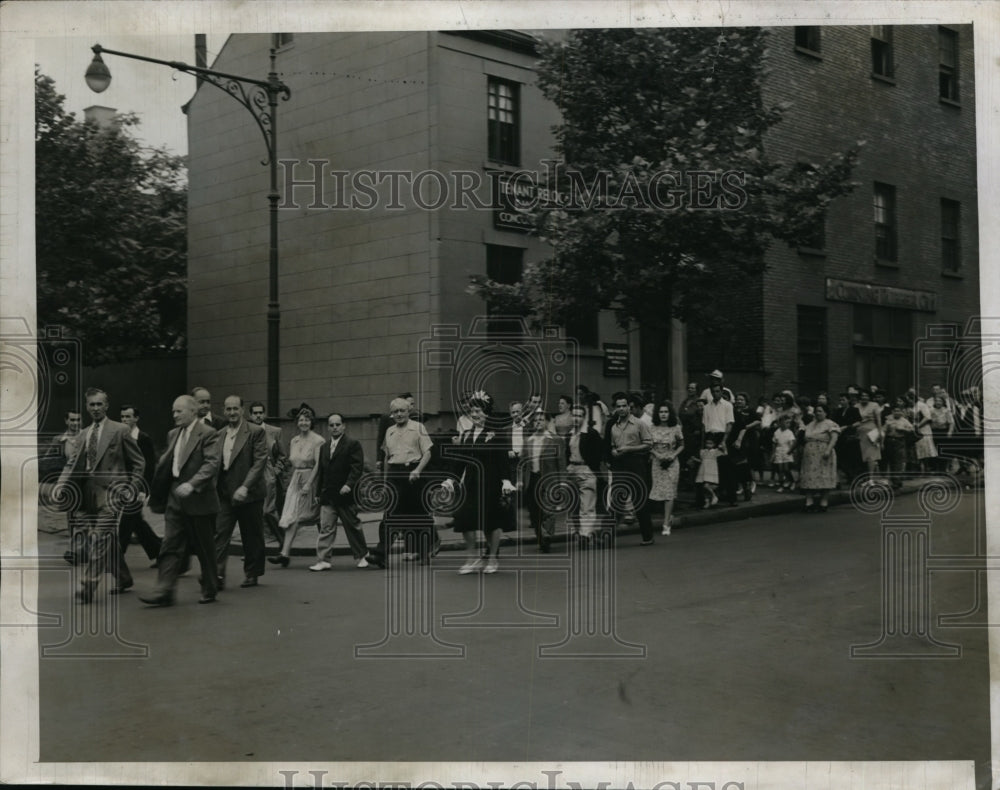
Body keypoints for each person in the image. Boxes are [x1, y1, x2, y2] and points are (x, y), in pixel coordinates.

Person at [57, 388, 144, 602]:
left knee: (99, 538)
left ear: (106, 406)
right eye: (91, 405)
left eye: (99, 404)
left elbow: (139, 462)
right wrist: (61, 485)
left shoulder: (120, 430)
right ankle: (123, 577)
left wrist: (131, 488)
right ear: (87, 407)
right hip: (88, 493)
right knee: (106, 539)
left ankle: (87, 586)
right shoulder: (83, 434)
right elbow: (72, 463)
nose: (95, 408)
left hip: (113, 493)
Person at [141, 394, 220, 606]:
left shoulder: (208, 434)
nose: (175, 415)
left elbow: (211, 464)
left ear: (193, 412)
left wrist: (193, 484)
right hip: (175, 498)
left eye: (179, 411)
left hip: (199, 498)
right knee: (169, 545)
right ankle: (164, 591)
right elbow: (169, 464)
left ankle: (210, 587)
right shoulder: (173, 434)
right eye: (173, 411)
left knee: (205, 549)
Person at [446, 391, 516, 573]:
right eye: (472, 411)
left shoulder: (497, 434)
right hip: (470, 484)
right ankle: (472, 558)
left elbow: (503, 460)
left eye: (478, 411)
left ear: (487, 412)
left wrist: (506, 481)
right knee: (463, 519)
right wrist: (450, 479)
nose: (475, 414)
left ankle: (492, 559)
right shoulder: (467, 435)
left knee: (491, 522)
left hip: (491, 483)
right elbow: (460, 460)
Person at [368, 396, 435, 567]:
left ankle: (424, 550)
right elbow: (386, 457)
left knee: (418, 515)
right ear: (391, 414)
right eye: (395, 411)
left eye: (402, 411)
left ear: (408, 412)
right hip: (395, 474)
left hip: (413, 474)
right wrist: (384, 482)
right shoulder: (389, 431)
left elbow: (427, 452)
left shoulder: (418, 427)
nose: (399, 414)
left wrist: (417, 470)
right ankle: (381, 554)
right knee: (389, 515)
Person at [213, 395, 268, 589]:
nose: (232, 413)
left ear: (242, 410)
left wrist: (245, 486)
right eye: (228, 409)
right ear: (223, 411)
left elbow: (260, 462)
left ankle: (252, 573)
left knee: (251, 536)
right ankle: (217, 575)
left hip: (249, 494)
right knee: (220, 534)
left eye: (235, 408)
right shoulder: (219, 435)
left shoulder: (254, 432)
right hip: (225, 494)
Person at [309, 413, 371, 571]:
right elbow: (322, 472)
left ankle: (362, 555)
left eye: (337, 424)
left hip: (345, 494)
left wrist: (349, 485)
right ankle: (323, 559)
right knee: (326, 527)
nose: (335, 428)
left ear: (344, 426)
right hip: (328, 494)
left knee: (352, 525)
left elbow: (356, 468)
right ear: (328, 427)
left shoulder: (352, 444)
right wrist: (318, 493)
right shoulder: (324, 447)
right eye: (331, 425)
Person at [269, 405, 325, 567]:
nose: (303, 423)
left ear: (311, 422)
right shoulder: (294, 440)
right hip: (296, 480)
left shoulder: (318, 440)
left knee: (318, 518)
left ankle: (323, 552)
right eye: (301, 420)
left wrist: (309, 483)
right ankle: (285, 554)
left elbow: (318, 465)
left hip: (311, 480)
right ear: (297, 422)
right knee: (294, 516)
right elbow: (292, 462)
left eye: (307, 420)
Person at [605, 391, 655, 545]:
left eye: (624, 406)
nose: (622, 409)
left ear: (629, 407)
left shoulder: (639, 424)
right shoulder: (614, 426)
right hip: (619, 464)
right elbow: (611, 444)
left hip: (636, 464)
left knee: (639, 500)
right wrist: (613, 451)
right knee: (617, 500)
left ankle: (648, 536)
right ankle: (606, 537)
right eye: (619, 406)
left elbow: (648, 444)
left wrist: (630, 449)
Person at [117, 404, 162, 567]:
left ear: (136, 418)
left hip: (137, 489)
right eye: (122, 417)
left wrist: (144, 490)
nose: (124, 420)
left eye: (128, 416)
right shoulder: (120, 436)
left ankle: (115, 556)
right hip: (124, 487)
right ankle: (160, 552)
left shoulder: (143, 439)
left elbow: (149, 467)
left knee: (127, 522)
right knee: (137, 523)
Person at [42, 410, 85, 564]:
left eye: (78, 420)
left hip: (86, 483)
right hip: (69, 484)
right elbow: (50, 460)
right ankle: (78, 550)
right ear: (66, 421)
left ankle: (76, 550)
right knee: (73, 518)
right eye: (72, 420)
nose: (75, 423)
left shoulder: (87, 436)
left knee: (83, 518)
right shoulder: (60, 440)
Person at [521, 410, 566, 553]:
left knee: (548, 510)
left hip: (549, 479)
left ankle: (547, 535)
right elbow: (523, 463)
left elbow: (561, 462)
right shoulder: (529, 441)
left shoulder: (555, 439)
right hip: (532, 479)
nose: (538, 422)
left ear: (547, 422)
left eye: (541, 420)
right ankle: (541, 537)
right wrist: (519, 481)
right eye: (535, 420)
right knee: (534, 512)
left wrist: (563, 482)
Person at [248, 400, 288, 546]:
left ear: (264, 414)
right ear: (250, 415)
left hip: (268, 472)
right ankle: (255, 546)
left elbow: (283, 456)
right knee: (253, 512)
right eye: (255, 413)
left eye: (260, 413)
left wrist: (275, 471)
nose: (258, 416)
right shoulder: (246, 431)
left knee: (268, 510)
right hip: (251, 474)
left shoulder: (275, 431)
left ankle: (283, 541)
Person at [565, 403, 603, 542]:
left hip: (586, 469)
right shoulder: (569, 434)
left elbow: (598, 453)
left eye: (580, 416)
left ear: (584, 417)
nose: (576, 419)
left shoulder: (591, 434)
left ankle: (585, 535)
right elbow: (566, 452)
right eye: (574, 415)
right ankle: (579, 531)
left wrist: (592, 469)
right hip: (572, 470)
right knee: (573, 505)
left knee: (587, 505)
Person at [649, 400, 684, 535]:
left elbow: (682, 444)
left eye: (666, 412)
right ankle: (668, 517)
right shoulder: (652, 428)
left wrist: (673, 455)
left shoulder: (676, 428)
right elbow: (648, 446)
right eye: (661, 412)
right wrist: (656, 454)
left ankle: (666, 522)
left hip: (672, 462)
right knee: (660, 492)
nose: (664, 414)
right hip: (657, 462)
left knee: (669, 491)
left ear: (670, 413)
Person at [798, 403, 840, 512]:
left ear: (826, 413)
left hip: (823, 453)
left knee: (824, 474)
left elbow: (834, 438)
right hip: (810, 454)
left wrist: (828, 450)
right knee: (809, 475)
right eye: (816, 411)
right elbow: (803, 436)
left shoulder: (830, 424)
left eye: (820, 411)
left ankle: (823, 502)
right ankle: (809, 501)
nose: (818, 413)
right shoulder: (810, 424)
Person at [701, 383, 735, 505]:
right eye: (713, 391)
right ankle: (708, 498)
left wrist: (724, 441)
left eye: (717, 391)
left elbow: (729, 424)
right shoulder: (706, 407)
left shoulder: (727, 406)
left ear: (721, 392)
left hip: (722, 436)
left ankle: (731, 498)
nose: (715, 394)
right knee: (709, 468)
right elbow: (704, 425)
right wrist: (704, 443)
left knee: (726, 467)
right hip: (710, 437)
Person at [728, 392, 759, 503]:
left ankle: (748, 485)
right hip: (734, 439)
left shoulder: (749, 411)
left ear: (746, 401)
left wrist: (747, 426)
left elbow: (757, 421)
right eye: (737, 399)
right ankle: (741, 486)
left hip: (747, 440)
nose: (738, 401)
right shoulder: (733, 411)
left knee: (745, 464)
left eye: (741, 400)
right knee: (735, 464)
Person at [882, 400, 916, 488]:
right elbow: (883, 431)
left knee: (898, 461)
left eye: (899, 411)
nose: (897, 412)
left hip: (899, 441)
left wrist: (903, 429)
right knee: (890, 460)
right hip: (889, 441)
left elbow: (912, 430)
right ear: (892, 412)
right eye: (895, 411)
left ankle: (897, 481)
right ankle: (893, 480)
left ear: (901, 412)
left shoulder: (904, 421)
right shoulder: (888, 420)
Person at [854, 389, 883, 482]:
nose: (864, 397)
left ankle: (871, 478)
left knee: (871, 456)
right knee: (863, 456)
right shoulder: (856, 406)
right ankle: (874, 478)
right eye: (862, 396)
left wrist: (880, 433)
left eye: (866, 396)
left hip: (871, 433)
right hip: (860, 432)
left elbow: (878, 420)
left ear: (869, 397)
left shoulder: (874, 405)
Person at [928, 395, 955, 473]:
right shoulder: (931, 410)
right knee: (933, 450)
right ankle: (934, 469)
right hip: (934, 432)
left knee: (942, 450)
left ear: (943, 402)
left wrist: (950, 432)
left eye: (940, 401)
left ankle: (943, 469)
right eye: (936, 401)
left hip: (943, 431)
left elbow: (951, 423)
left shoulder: (946, 411)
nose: (938, 402)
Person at [695, 436, 723, 508]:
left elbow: (725, 453)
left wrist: (723, 446)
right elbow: (702, 460)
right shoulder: (703, 451)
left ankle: (714, 496)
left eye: (710, 443)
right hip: (703, 469)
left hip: (711, 469)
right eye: (707, 443)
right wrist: (695, 459)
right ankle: (707, 501)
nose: (708, 445)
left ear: (714, 444)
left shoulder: (715, 451)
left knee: (706, 486)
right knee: (704, 488)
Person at [771, 415, 797, 492]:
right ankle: (781, 485)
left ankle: (792, 481)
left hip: (787, 451)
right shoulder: (776, 432)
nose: (788, 424)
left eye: (789, 423)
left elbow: (792, 443)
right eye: (786, 423)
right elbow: (774, 443)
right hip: (779, 451)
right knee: (780, 470)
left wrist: (791, 451)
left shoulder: (790, 432)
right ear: (780, 423)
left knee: (786, 469)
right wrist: (773, 454)